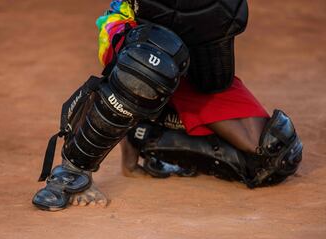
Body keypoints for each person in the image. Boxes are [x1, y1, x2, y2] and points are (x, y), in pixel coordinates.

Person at [32, 0, 303, 211]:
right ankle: (72, 173)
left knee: (275, 155)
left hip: (201, 43)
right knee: (147, 67)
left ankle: (145, 135)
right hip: (137, 31)